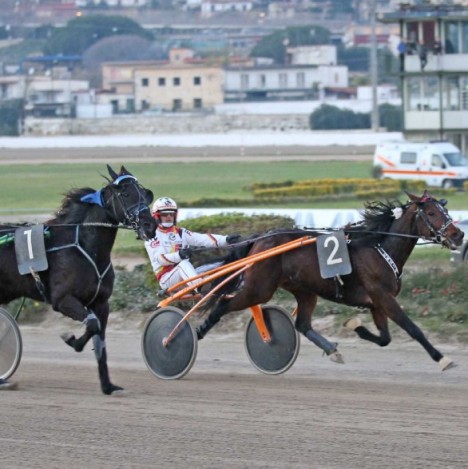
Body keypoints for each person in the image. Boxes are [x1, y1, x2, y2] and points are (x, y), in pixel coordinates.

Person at [145, 196, 241, 293]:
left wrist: (226, 239)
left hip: (186, 275)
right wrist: (179, 255)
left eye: (171, 214)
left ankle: (237, 286)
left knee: (216, 265)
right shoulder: (152, 236)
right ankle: (200, 288)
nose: (169, 217)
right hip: (166, 279)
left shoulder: (181, 232)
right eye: (165, 214)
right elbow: (160, 259)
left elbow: (202, 239)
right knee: (183, 264)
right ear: (157, 216)